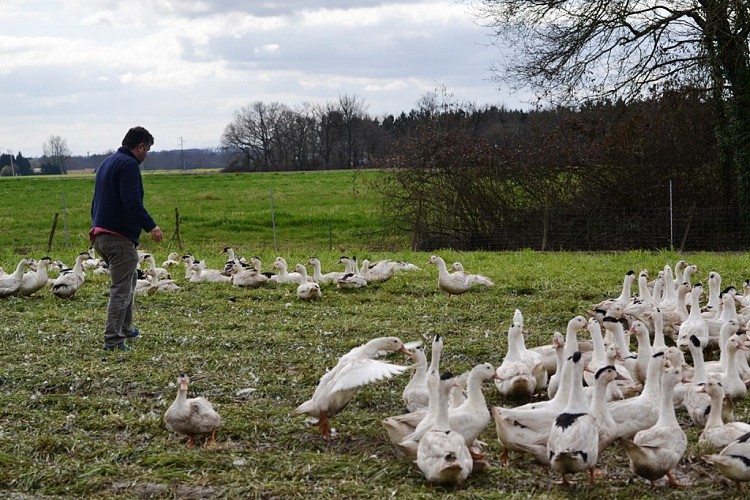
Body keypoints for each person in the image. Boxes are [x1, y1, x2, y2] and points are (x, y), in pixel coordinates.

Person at [90, 126, 163, 351]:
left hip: (101, 234)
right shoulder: (129, 164)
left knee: (130, 279)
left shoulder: (107, 162)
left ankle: (126, 327)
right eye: (147, 149)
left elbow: (96, 200)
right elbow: (132, 202)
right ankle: (113, 339)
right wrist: (152, 226)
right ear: (140, 147)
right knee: (121, 289)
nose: (147, 154)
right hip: (118, 237)